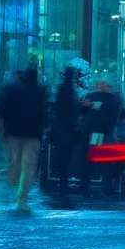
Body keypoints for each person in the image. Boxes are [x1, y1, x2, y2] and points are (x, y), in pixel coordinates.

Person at [0, 64, 48, 215]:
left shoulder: (12, 87)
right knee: (28, 166)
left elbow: (2, 108)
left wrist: (6, 127)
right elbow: (44, 113)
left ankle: (13, 180)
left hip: (14, 132)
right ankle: (22, 198)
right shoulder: (40, 90)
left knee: (15, 161)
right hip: (32, 134)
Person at [48, 64, 88, 206]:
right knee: (65, 157)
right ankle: (63, 184)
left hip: (62, 129)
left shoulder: (64, 88)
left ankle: (63, 183)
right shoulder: (68, 89)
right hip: (66, 129)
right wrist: (80, 106)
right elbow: (69, 109)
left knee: (63, 157)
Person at [85, 78, 125, 201]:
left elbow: (86, 112)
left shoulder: (92, 97)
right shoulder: (113, 99)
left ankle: (88, 183)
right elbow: (114, 116)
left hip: (96, 131)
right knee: (106, 160)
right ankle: (106, 186)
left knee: (93, 157)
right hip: (106, 133)